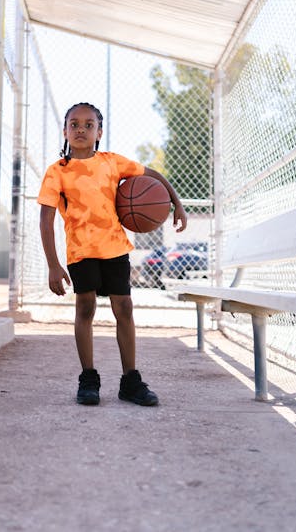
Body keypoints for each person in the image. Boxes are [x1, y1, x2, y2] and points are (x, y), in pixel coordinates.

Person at [38, 102, 187, 407]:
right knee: (85, 309)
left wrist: (178, 204)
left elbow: (154, 174)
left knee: (125, 310)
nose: (81, 129)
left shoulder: (112, 162)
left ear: (99, 132)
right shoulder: (58, 172)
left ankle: (130, 381)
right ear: (65, 131)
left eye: (88, 124)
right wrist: (53, 265)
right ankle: (88, 378)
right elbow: (45, 219)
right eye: (74, 124)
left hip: (116, 248)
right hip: (81, 251)